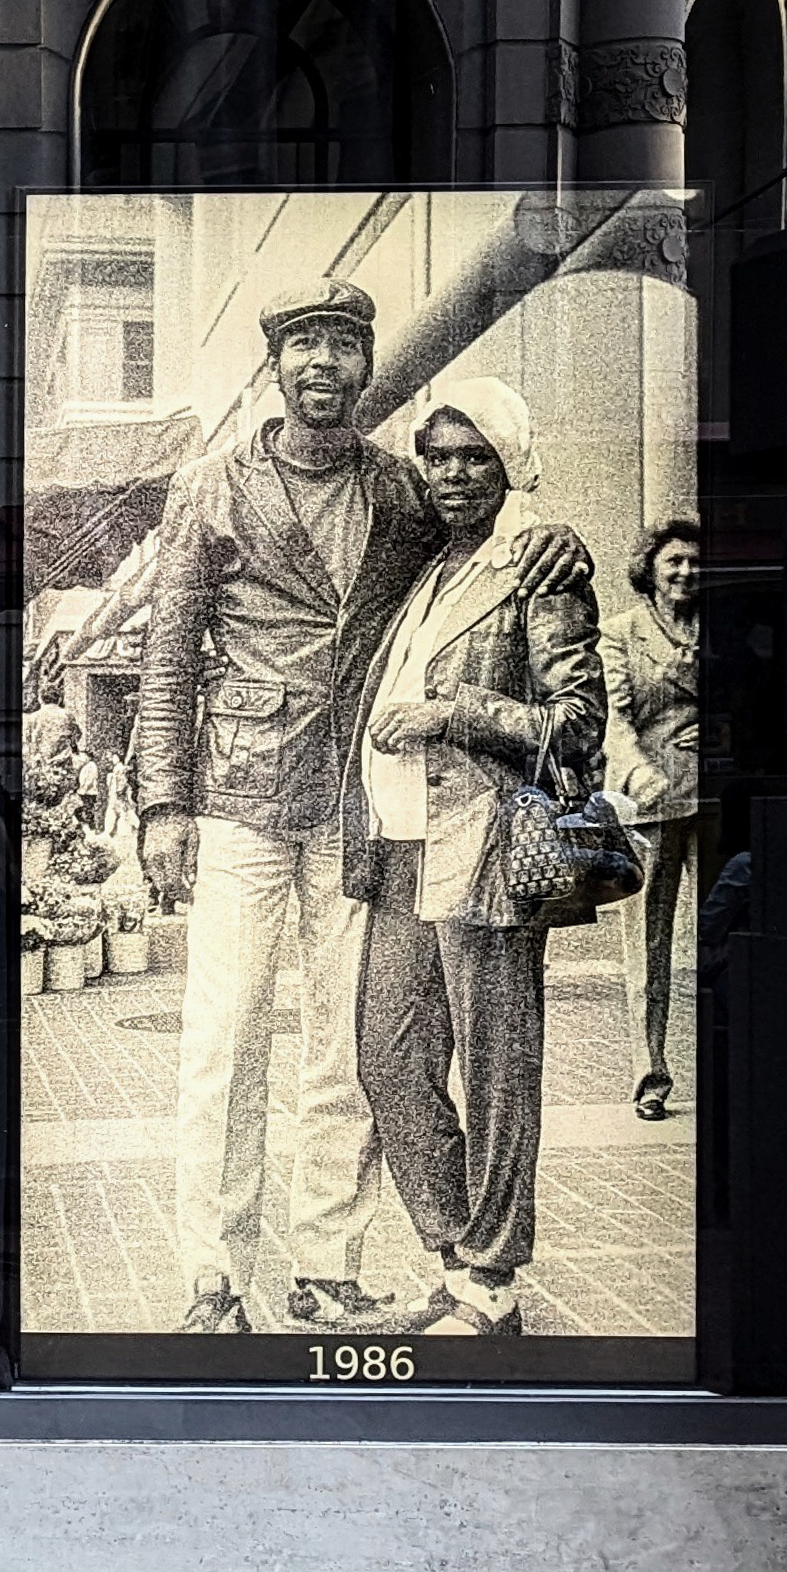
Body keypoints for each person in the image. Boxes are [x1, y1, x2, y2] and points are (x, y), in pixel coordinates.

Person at [134, 281, 588, 1333]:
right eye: (304, 344)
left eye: (343, 342)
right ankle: (212, 1276)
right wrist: (164, 805)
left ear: (365, 363)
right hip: (242, 798)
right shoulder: (209, 485)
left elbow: (496, 524)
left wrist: (557, 529)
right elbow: (164, 662)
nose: (323, 362)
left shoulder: (401, 487)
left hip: (358, 807)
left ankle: (325, 1264)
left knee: (342, 1045)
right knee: (222, 1041)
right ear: (276, 364)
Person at [344, 381, 602, 1338]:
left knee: (497, 1076)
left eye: (473, 457)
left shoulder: (537, 570)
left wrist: (452, 712)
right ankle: (456, 1262)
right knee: (389, 1062)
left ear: (509, 464)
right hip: (401, 852)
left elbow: (575, 730)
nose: (452, 474)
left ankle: (491, 1283)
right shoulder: (431, 566)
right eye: (438, 457)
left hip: (486, 852)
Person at [599, 517, 707, 1123]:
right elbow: (615, 719)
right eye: (675, 562)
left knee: (731, 937)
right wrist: (642, 776)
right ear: (652, 569)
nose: (687, 572)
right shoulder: (620, 633)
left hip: (719, 803)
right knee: (648, 947)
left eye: (696, 561)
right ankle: (651, 1077)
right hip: (652, 805)